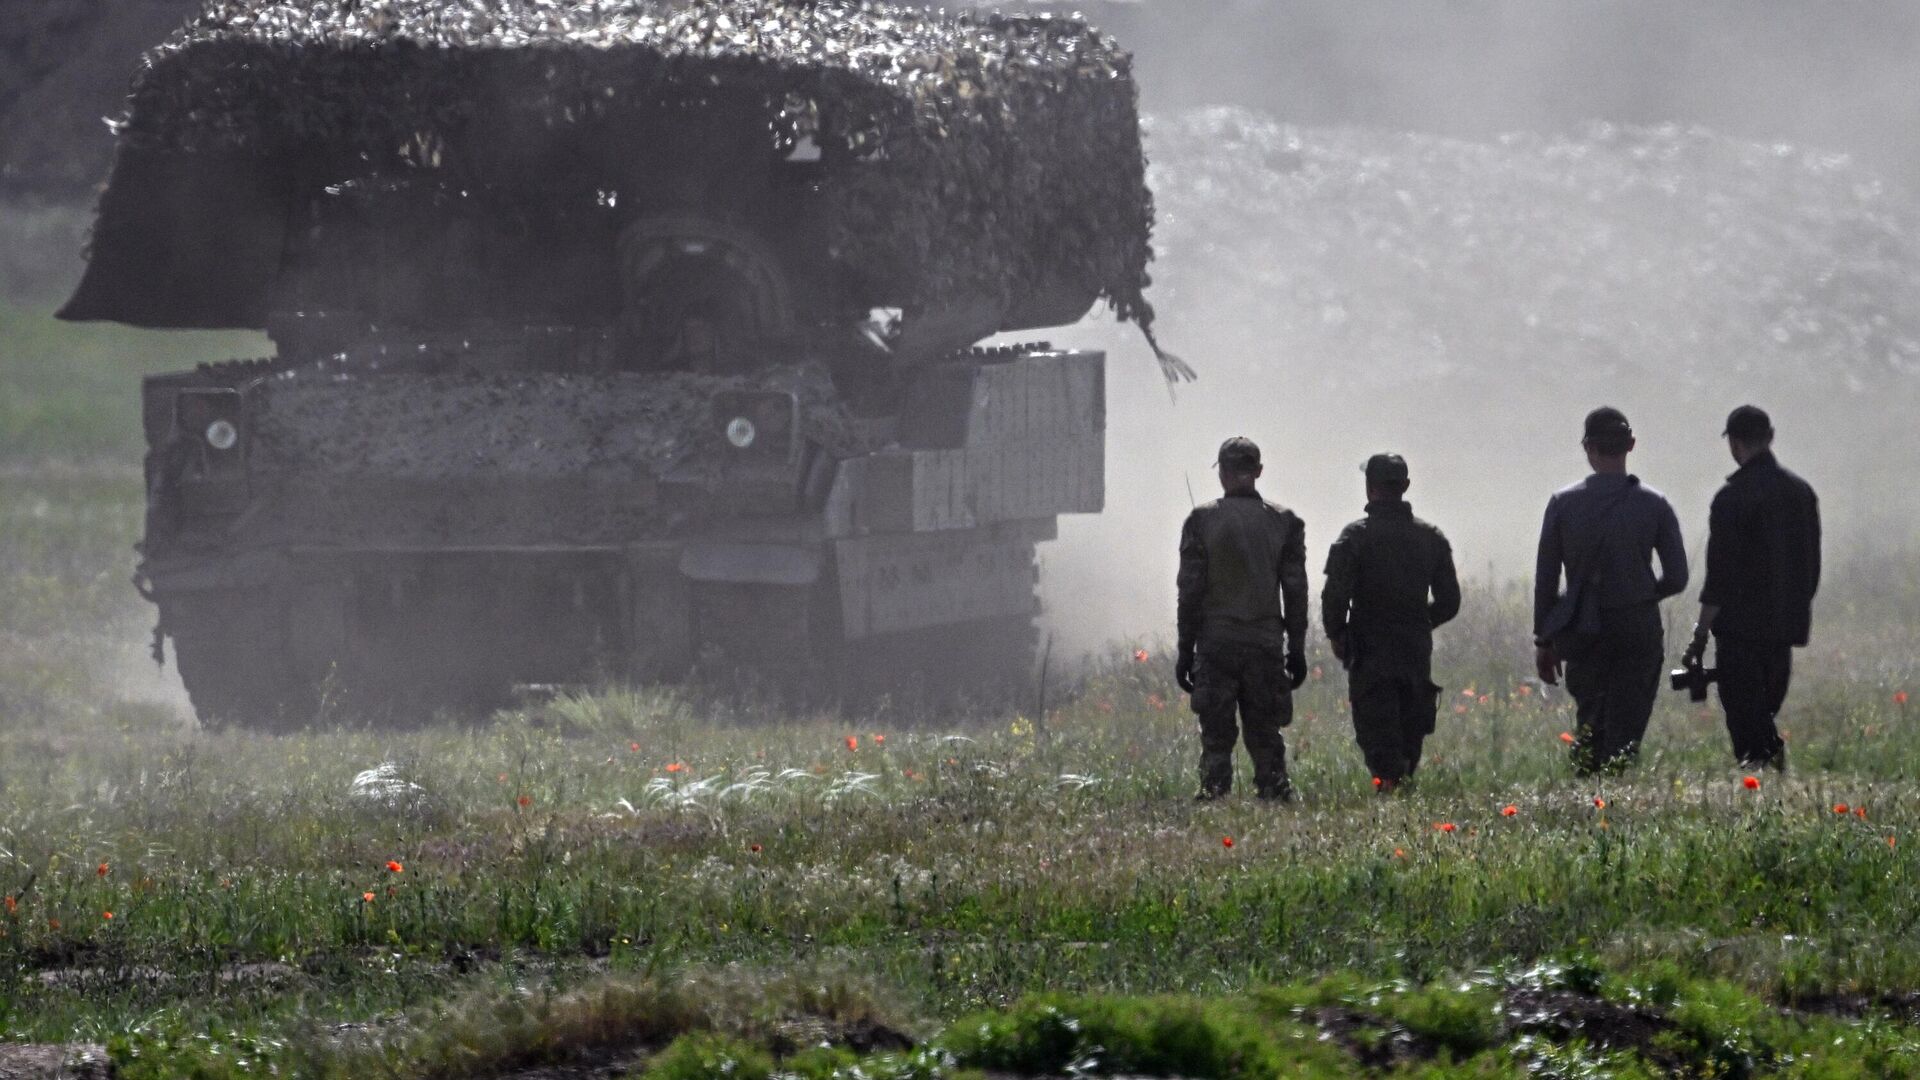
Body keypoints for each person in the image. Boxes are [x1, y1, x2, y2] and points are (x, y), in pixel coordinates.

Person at [1534, 407, 1689, 774]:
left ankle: (1588, 783)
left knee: (1590, 715)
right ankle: (1617, 781)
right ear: (1630, 444)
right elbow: (1677, 577)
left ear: (1588, 447)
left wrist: (1544, 639)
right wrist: (1641, 594)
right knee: (1629, 717)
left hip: (1583, 627)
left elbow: (1546, 579)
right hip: (1637, 624)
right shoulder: (1654, 504)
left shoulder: (1562, 504)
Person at [1682, 406, 1821, 771]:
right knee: (1765, 709)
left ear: (1734, 443)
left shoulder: (1732, 497)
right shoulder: (1801, 493)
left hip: (1740, 629)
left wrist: (1700, 634)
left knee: (1746, 716)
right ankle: (1770, 773)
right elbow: (1811, 569)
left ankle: (1762, 775)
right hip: (1784, 625)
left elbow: (1719, 577)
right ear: (1770, 436)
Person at [1175, 437, 1309, 802]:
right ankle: (1274, 791)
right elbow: (1295, 592)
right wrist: (1296, 649)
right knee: (1265, 732)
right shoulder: (1285, 522)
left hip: (1216, 646)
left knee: (1216, 736)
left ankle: (1215, 795)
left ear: (1222, 472)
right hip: (1265, 645)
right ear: (1258, 471)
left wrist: (1185, 651)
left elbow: (1190, 593)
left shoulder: (1201, 521)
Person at [1322, 454, 1461, 791]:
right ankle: (1400, 787)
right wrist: (1419, 621)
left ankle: (1390, 790)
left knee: (1376, 728)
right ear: (1405, 486)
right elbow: (1450, 601)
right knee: (1411, 726)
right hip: (1414, 650)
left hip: (1369, 650)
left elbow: (1334, 597)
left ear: (1370, 488)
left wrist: (1338, 633)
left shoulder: (1354, 537)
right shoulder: (1431, 538)